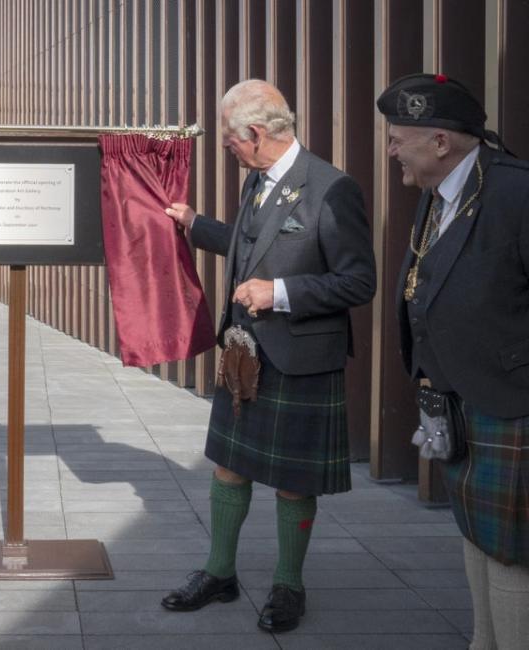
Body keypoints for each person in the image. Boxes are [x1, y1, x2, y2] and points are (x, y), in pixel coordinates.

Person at [160, 79, 376, 633]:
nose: (226, 149)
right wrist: (192, 225)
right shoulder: (258, 181)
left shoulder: (332, 188)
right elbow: (251, 244)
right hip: (245, 355)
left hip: (300, 358)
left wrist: (278, 293)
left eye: (230, 140)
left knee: (292, 482)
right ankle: (220, 573)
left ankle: (288, 586)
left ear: (255, 134)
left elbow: (359, 281)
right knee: (229, 467)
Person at [377, 73, 529, 649]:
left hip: (511, 405)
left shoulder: (516, 190)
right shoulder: (440, 191)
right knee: (475, 537)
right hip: (457, 401)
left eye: (399, 138)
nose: (391, 150)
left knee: (512, 553)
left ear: (440, 142)